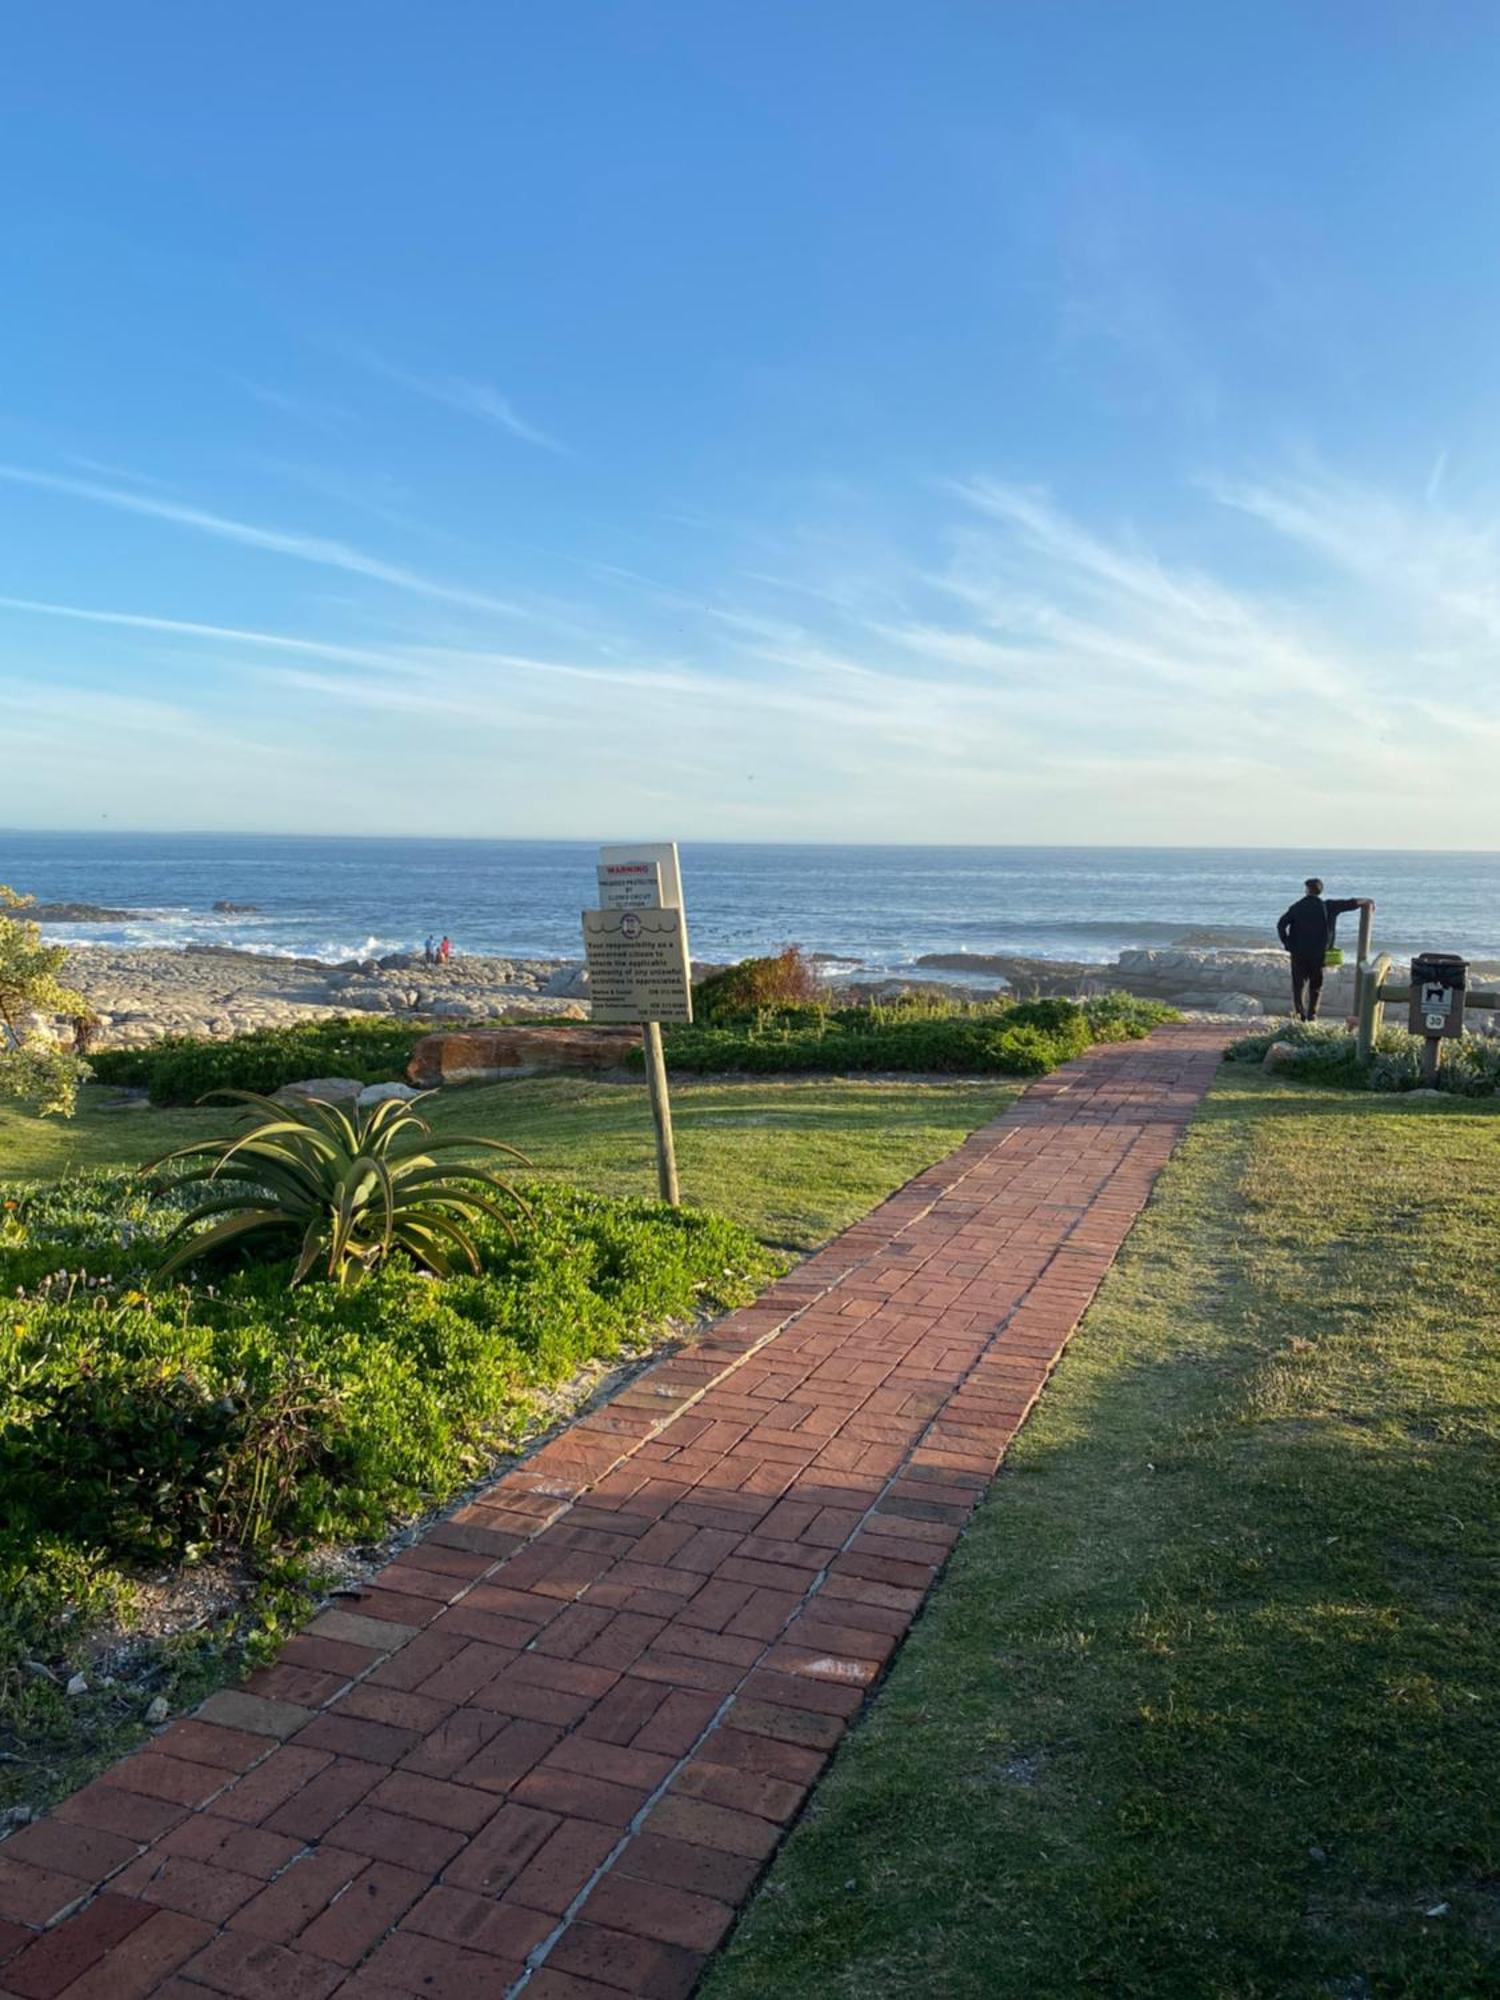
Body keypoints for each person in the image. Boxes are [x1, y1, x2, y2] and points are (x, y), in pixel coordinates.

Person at [1276, 878, 1373, 1021]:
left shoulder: (1297, 907)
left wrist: (1288, 944)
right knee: (1316, 986)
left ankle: (1299, 1015)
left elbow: (1281, 925)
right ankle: (1312, 1015)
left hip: (1299, 953)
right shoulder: (1328, 906)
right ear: (1320, 891)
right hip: (1319, 954)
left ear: (1307, 890)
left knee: (1298, 986)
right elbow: (1350, 903)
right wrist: (1367, 901)